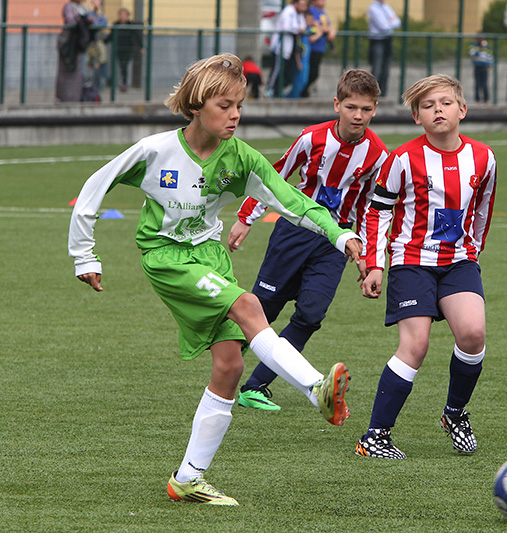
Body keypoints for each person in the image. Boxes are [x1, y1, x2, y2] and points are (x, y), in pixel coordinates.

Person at [68, 54, 359, 505]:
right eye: (225, 106)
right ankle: (315, 387)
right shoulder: (155, 150)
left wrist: (340, 235)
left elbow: (291, 201)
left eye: (239, 105)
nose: (235, 115)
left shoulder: (241, 158)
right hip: (167, 257)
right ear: (196, 105)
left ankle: (188, 478)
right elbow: (94, 187)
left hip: (211, 257)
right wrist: (84, 255)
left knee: (229, 366)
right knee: (249, 305)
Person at [355, 74, 497, 459]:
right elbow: (377, 211)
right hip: (412, 262)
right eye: (428, 106)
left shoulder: (484, 157)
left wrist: (474, 252)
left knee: (473, 334)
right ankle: (375, 437)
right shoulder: (402, 159)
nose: (438, 110)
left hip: (459, 262)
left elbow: (483, 209)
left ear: (462, 110)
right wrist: (375, 265)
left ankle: (455, 414)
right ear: (417, 117)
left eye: (446, 103)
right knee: (415, 345)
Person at [229, 69, 387, 411]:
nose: (358, 115)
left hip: (336, 242)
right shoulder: (312, 138)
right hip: (294, 231)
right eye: (351, 107)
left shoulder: (378, 155)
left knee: (311, 314)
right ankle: (225, 358)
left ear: (375, 109)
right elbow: (275, 176)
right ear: (336, 104)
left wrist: (365, 254)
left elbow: (371, 207)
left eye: (366, 109)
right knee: (264, 307)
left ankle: (255, 387)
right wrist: (245, 218)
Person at [267, 0, 308, 98]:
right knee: (277, 71)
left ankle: (277, 91)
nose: (304, 8)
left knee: (288, 74)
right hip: (280, 48)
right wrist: (298, 29)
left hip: (291, 49)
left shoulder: (299, 14)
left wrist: (299, 29)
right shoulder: (288, 12)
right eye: (302, 5)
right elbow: (287, 28)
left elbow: (303, 26)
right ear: (295, 3)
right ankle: (269, 90)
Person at [56, 0, 91, 102]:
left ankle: (75, 97)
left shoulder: (82, 8)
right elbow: (70, 20)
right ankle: (64, 98)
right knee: (67, 70)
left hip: (78, 44)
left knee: (78, 72)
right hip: (68, 43)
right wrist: (81, 20)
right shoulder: (69, 7)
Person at [301, 0, 336, 98]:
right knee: (311, 72)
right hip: (312, 47)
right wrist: (323, 29)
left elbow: (327, 26)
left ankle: (305, 90)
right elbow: (314, 26)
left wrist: (331, 31)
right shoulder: (311, 11)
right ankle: (302, 91)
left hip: (320, 46)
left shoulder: (323, 13)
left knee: (315, 72)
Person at [367, 0, 401, 97]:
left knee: (386, 70)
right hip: (377, 40)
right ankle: (372, 94)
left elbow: (398, 22)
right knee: (377, 69)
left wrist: (389, 22)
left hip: (387, 40)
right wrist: (391, 21)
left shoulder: (386, 7)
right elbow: (383, 26)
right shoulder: (373, 8)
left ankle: (383, 94)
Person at [106, 7, 144, 92]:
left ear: (127, 16)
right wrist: (103, 42)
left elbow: (137, 36)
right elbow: (111, 36)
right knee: (117, 66)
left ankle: (124, 83)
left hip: (127, 49)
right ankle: (115, 83)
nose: (122, 16)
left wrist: (141, 46)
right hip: (117, 48)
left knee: (125, 66)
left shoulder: (130, 25)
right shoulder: (116, 24)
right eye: (121, 14)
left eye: (124, 15)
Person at [285, 11, 322, 99]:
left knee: (304, 81)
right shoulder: (303, 31)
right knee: (298, 81)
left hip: (306, 61)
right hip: (301, 61)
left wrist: (317, 25)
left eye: (312, 19)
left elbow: (318, 31)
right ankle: (291, 97)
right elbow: (298, 49)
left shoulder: (309, 30)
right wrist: (298, 62)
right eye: (309, 19)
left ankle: (294, 97)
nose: (310, 21)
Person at [85, 0, 108, 96]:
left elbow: (104, 23)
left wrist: (97, 21)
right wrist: (97, 22)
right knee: (88, 66)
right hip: (89, 42)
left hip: (98, 40)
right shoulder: (88, 11)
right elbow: (92, 24)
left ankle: (98, 86)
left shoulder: (99, 13)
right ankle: (88, 87)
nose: (98, 2)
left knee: (101, 64)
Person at [469, 34, 494, 104]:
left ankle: (486, 99)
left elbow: (490, 56)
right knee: (477, 84)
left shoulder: (487, 47)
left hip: (484, 67)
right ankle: (477, 99)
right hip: (477, 67)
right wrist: (480, 48)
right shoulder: (474, 46)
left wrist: (489, 64)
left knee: (485, 84)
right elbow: (472, 54)